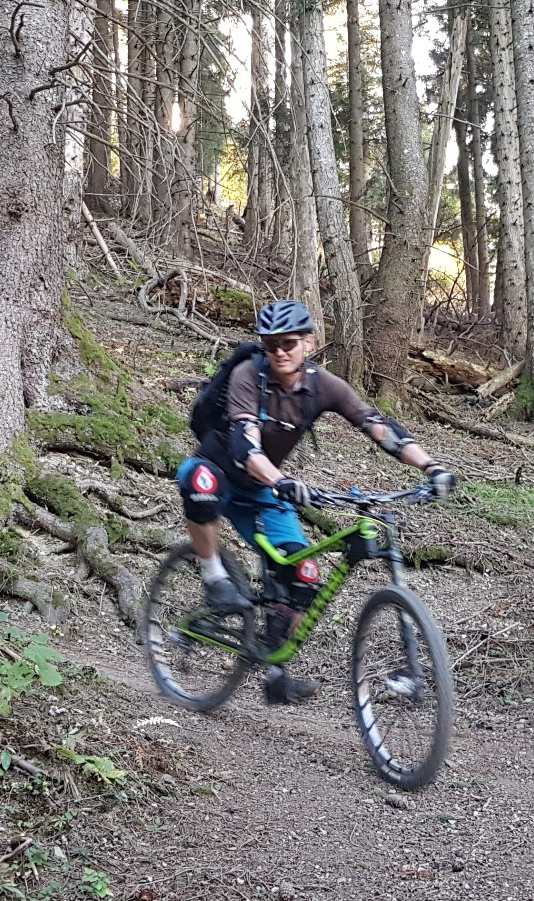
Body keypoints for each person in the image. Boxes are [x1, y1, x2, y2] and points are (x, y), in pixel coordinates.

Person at [177, 299, 457, 704]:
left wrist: (432, 467)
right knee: (200, 483)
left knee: (303, 573)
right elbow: (245, 445)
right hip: (220, 470)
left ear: (308, 342)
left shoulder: (324, 385)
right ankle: (214, 577)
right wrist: (282, 481)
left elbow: (378, 426)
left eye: (288, 343)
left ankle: (275, 668)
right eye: (271, 344)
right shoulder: (246, 375)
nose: (279, 352)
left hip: (263, 491)